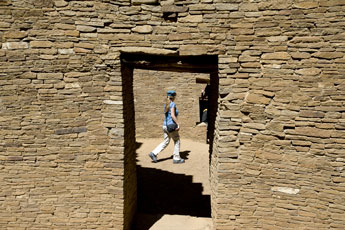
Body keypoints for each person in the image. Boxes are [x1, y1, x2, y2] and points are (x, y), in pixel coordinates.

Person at [148, 90, 185, 164]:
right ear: (174, 97)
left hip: (165, 126)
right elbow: (172, 115)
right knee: (177, 140)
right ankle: (176, 158)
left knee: (166, 141)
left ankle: (154, 153)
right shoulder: (172, 104)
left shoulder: (166, 104)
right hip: (171, 126)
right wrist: (178, 124)